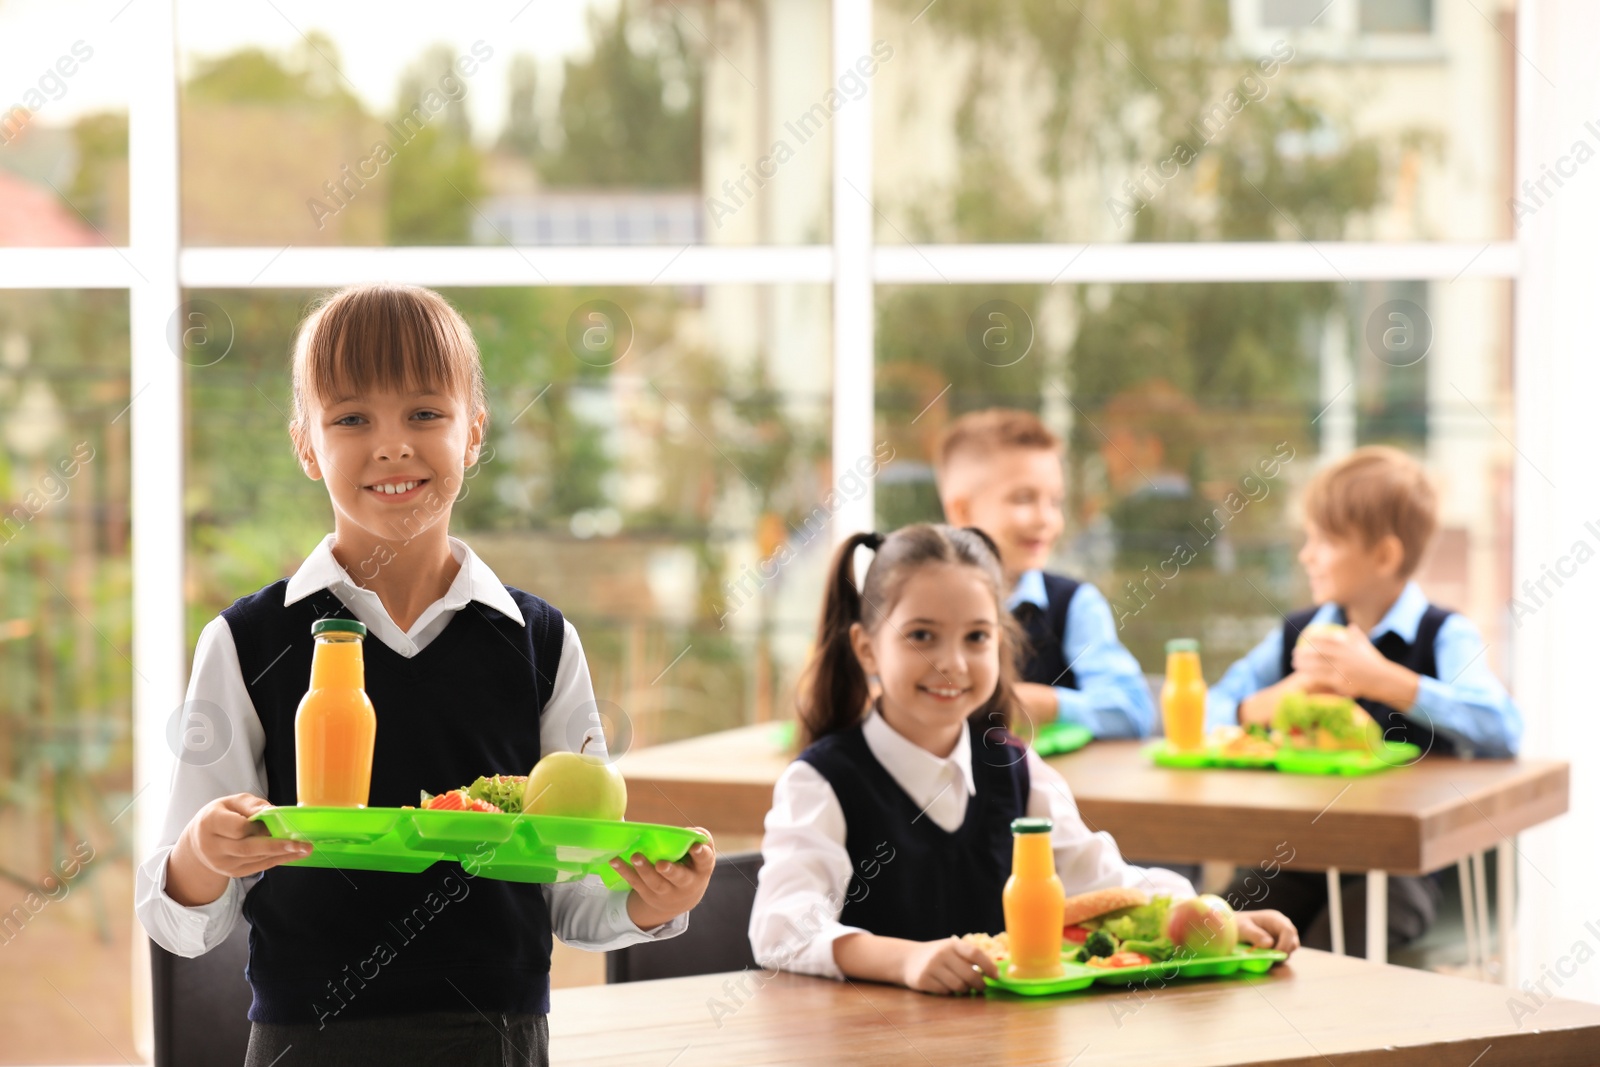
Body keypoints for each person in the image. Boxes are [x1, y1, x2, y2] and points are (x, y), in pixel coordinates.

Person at [134, 284, 714, 1067]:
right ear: (306, 444)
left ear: (473, 432)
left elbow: (578, 893)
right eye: (350, 419)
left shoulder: (539, 642)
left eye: (424, 414)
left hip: (498, 1042)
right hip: (308, 1046)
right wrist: (203, 854)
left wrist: (651, 900)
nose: (391, 446)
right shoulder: (247, 641)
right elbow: (178, 918)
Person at [748, 524, 1298, 994]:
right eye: (921, 636)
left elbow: (1101, 883)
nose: (952, 663)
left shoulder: (1015, 769)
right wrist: (906, 959)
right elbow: (783, 929)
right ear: (867, 647)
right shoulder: (822, 781)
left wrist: (1214, 919)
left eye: (976, 638)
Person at [1208, 445, 1522, 955]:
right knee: (1222, 926)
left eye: (1325, 541)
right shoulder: (1299, 635)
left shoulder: (1442, 635)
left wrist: (1384, 680)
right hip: (1300, 855)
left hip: (1408, 869)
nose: (1306, 555)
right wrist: (1266, 704)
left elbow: (1503, 727)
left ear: (1384, 555)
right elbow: (1208, 710)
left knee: (1334, 946)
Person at [936, 408, 1154, 738]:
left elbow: (1133, 711)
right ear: (962, 511)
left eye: (1055, 501)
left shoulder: (1075, 605)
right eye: (1023, 499)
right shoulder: (920, 606)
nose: (1046, 519)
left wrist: (1043, 704)